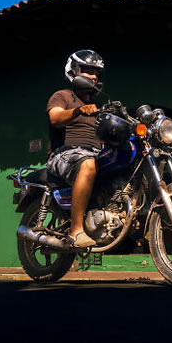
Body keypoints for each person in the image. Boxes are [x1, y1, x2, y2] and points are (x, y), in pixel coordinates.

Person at [45, 49, 105, 249]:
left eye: (96, 72)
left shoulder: (98, 106)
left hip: (94, 153)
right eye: (87, 70)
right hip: (65, 152)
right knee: (88, 164)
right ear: (74, 70)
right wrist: (78, 110)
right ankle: (75, 230)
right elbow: (55, 118)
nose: (94, 76)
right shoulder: (63, 96)